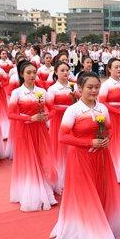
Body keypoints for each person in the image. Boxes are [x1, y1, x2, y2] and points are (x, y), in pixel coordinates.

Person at [50, 71, 120, 239]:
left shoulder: (103, 108)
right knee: (87, 195)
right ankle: (92, 231)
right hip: (81, 159)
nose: (94, 91)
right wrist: (88, 142)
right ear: (79, 90)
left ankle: (104, 221)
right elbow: (63, 137)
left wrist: (105, 139)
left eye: (96, 87)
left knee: (102, 190)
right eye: (89, 87)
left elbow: (110, 129)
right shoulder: (73, 111)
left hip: (102, 157)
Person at [8, 60, 58, 211]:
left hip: (41, 130)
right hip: (24, 130)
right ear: (22, 75)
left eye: (34, 73)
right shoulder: (17, 93)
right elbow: (10, 114)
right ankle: (33, 191)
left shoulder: (42, 92)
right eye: (28, 73)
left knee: (43, 156)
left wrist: (46, 116)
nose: (31, 75)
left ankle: (45, 188)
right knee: (29, 159)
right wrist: (30, 118)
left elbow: (53, 109)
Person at [46, 61, 77, 192]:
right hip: (58, 122)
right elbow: (49, 107)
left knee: (72, 149)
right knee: (59, 150)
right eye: (62, 70)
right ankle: (60, 181)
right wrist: (65, 110)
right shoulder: (52, 89)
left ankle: (73, 178)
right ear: (56, 72)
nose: (65, 73)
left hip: (73, 122)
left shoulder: (74, 87)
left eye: (67, 70)